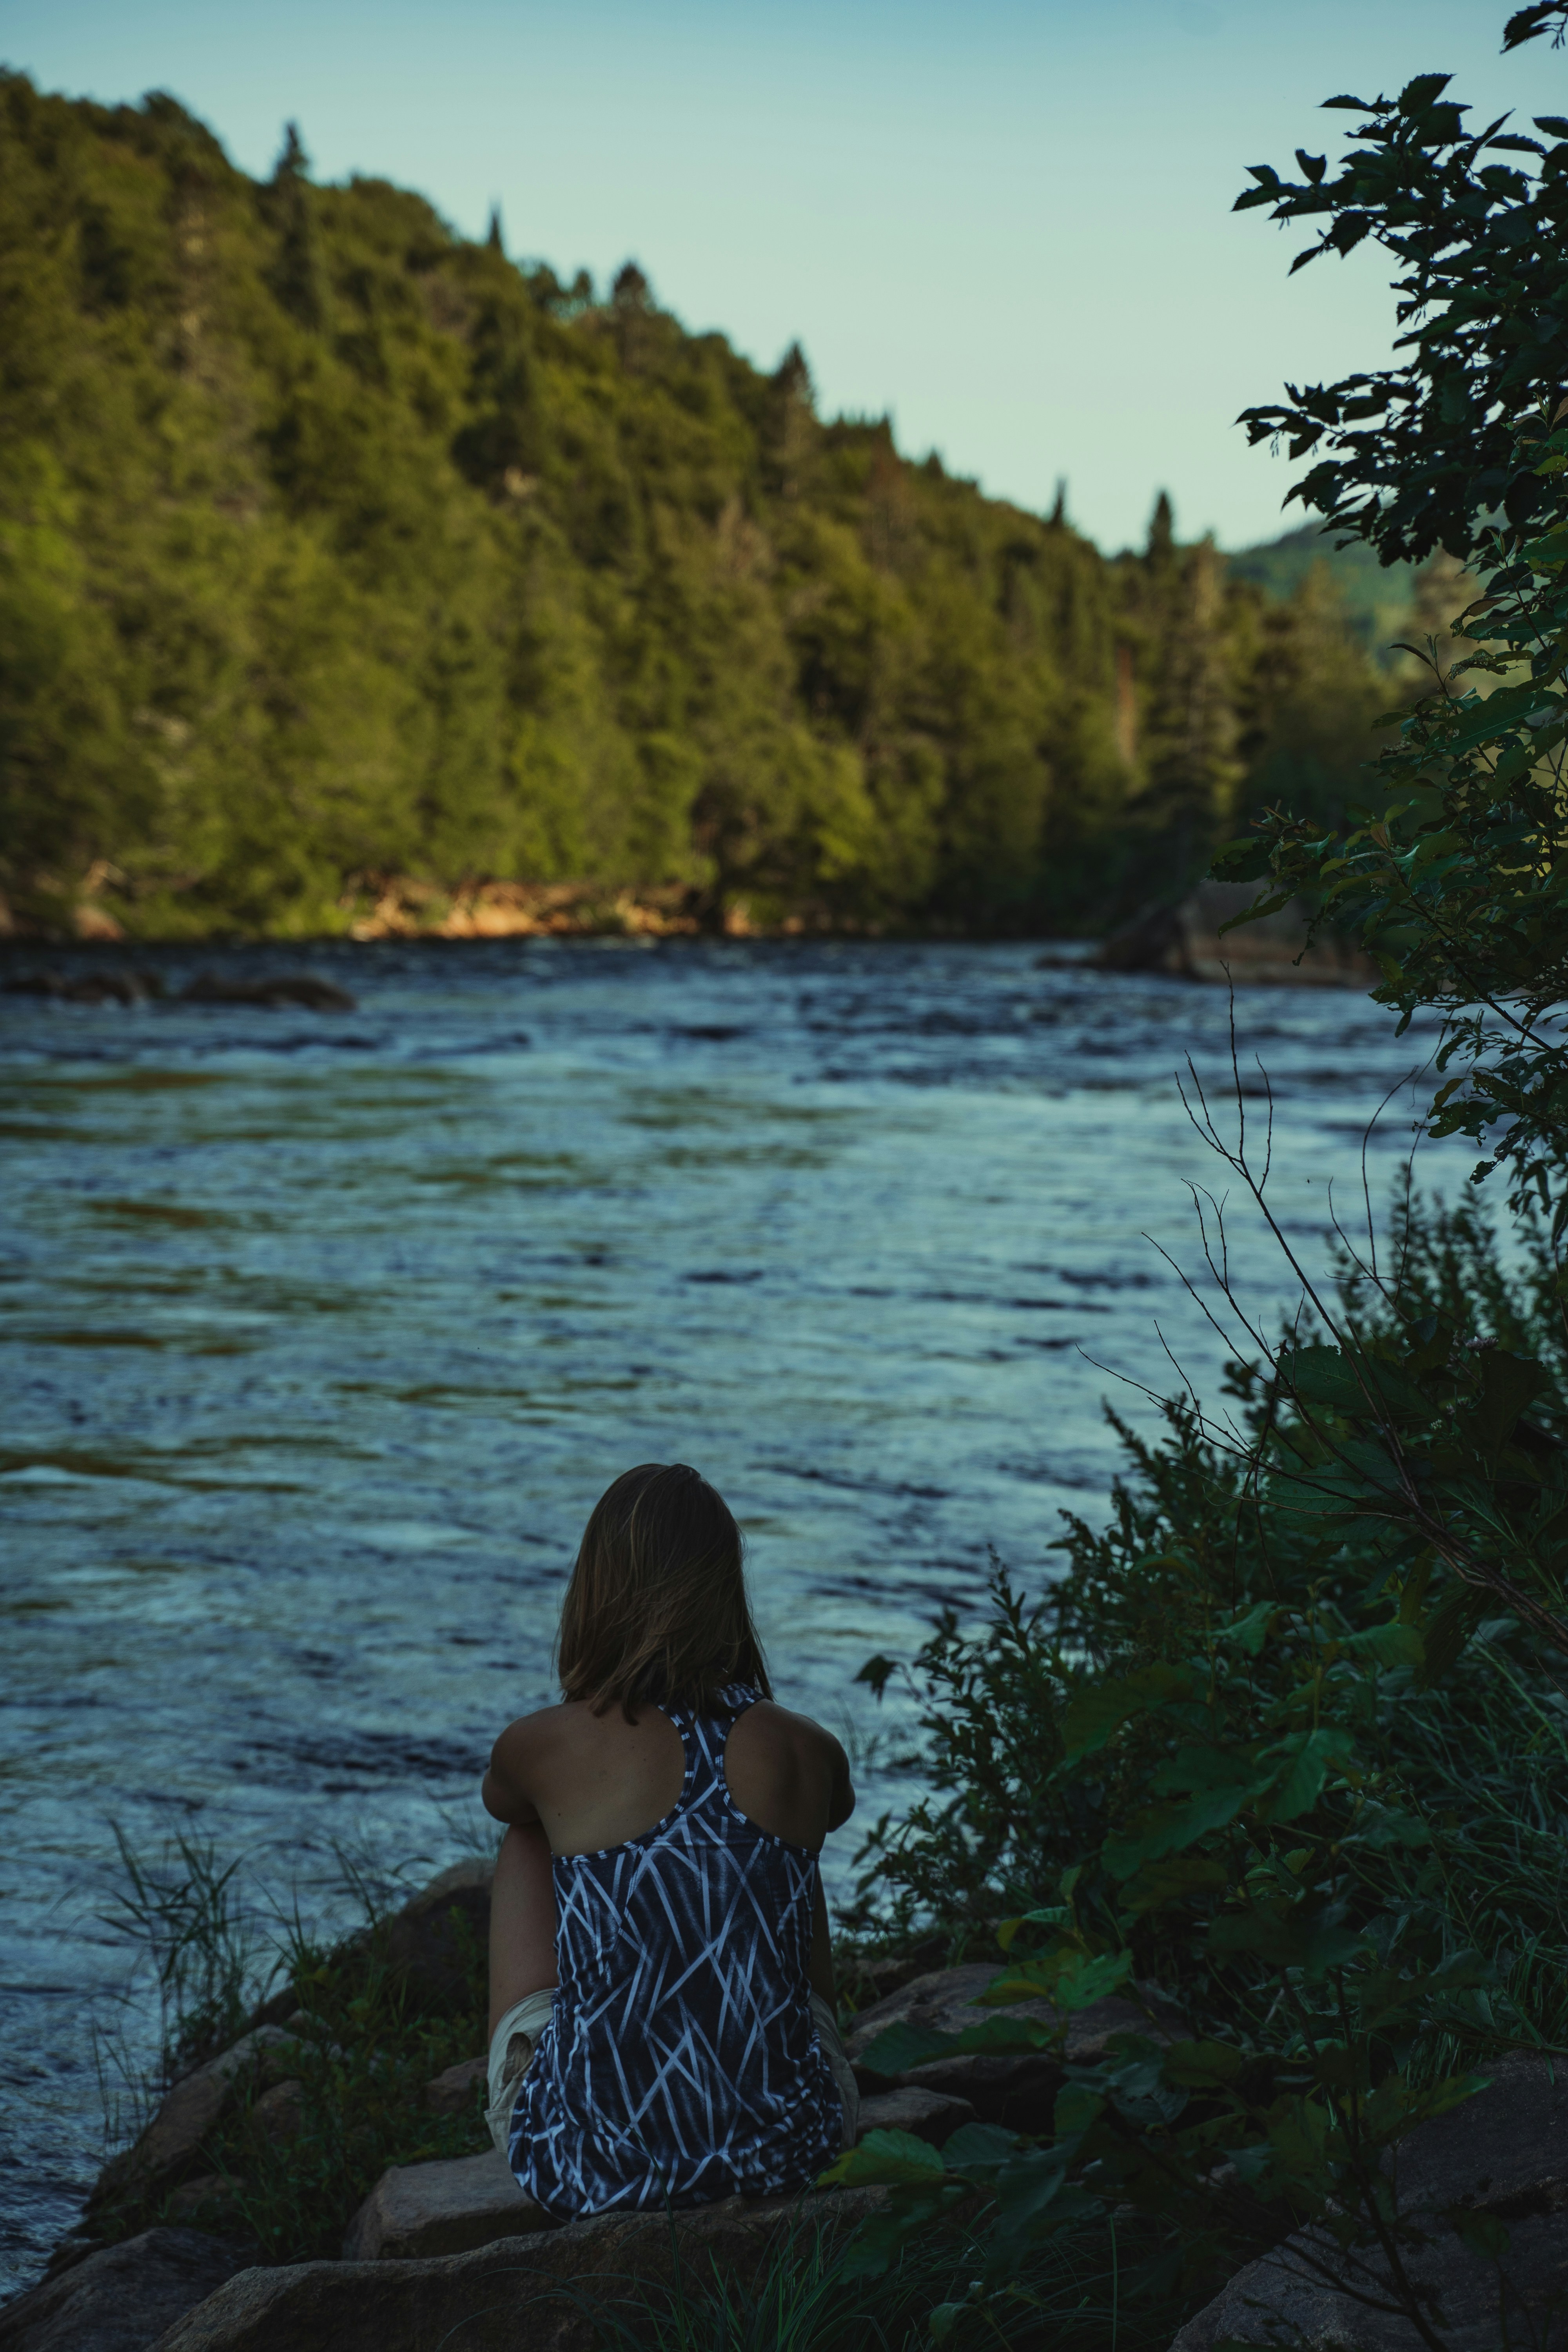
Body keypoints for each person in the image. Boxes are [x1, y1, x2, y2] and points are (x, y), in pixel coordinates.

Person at [480, 1461, 860, 2218]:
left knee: (528, 1835)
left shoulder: (544, 1745)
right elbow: (836, 1812)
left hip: (590, 2166)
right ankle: (759, 2085)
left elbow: (502, 1801)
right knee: (788, 1840)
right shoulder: (803, 1746)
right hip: (794, 2151)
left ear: (596, 1588)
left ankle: (602, 2089)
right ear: (726, 1591)